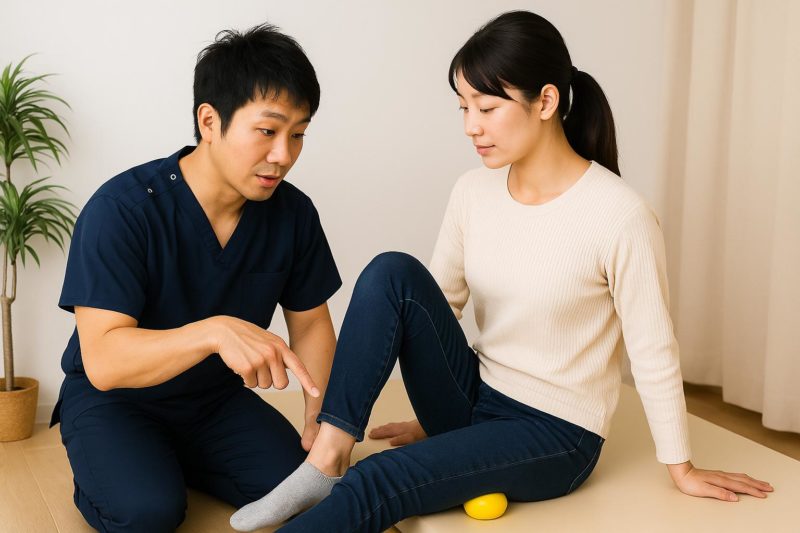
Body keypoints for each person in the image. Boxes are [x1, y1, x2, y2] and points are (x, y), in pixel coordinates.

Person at [230, 10, 773, 533]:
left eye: (487, 108)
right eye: (463, 107)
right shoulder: (473, 191)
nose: (472, 126)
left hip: (554, 434)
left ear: (546, 101)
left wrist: (681, 466)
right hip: (477, 395)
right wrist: (437, 427)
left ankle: (331, 474)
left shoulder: (620, 215)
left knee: (381, 477)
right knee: (392, 272)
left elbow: (653, 350)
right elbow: (432, 308)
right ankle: (325, 458)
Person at [51, 23, 342, 532]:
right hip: (116, 401)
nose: (284, 155)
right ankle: (117, 464)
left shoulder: (292, 214)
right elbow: (104, 360)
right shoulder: (122, 210)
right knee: (147, 513)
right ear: (209, 121)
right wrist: (213, 331)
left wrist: (320, 418)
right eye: (268, 131)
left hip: (212, 401)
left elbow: (312, 322)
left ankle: (169, 460)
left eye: (298, 134)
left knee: (310, 490)